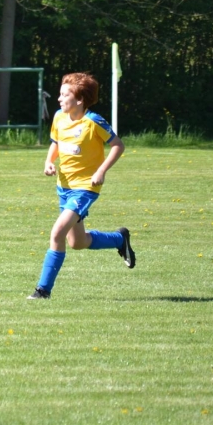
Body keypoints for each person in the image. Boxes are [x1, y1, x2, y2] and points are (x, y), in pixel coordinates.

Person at [28, 72, 136, 299]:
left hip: (85, 188)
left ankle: (42, 290)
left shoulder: (93, 121)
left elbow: (118, 145)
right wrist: (49, 161)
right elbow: (56, 142)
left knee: (57, 232)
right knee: (77, 242)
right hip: (64, 186)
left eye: (64, 95)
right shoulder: (59, 117)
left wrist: (101, 170)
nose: (59, 98)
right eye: (60, 94)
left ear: (79, 100)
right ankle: (119, 239)